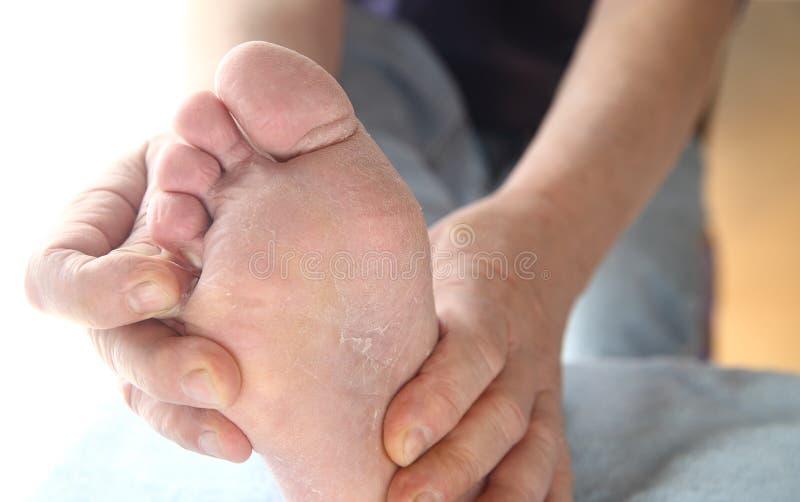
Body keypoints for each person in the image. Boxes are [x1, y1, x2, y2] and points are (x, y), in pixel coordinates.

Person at [25, 0, 744, 500]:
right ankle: (390, 404)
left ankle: (376, 435)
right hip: (364, 62)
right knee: (423, 302)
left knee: (632, 307)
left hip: (622, 78)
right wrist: (226, 153)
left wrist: (547, 238)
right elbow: (269, 72)